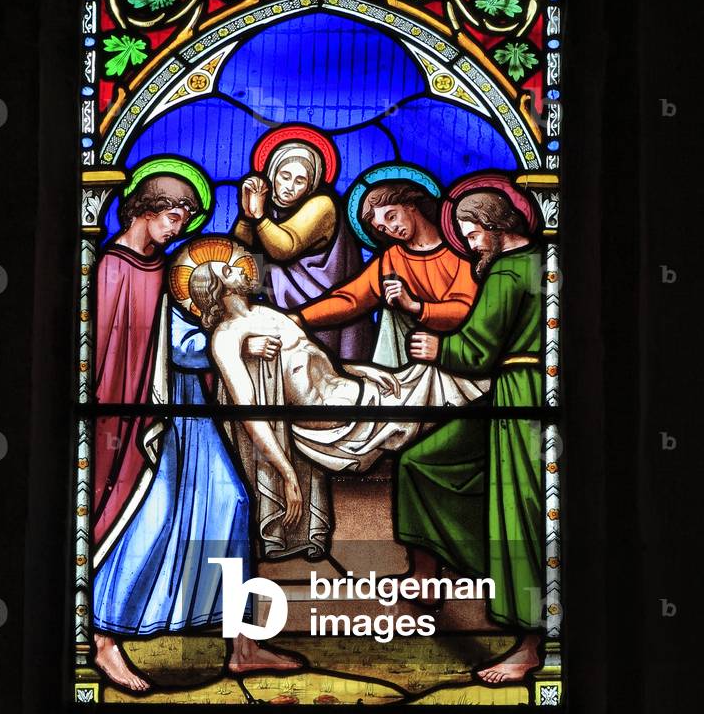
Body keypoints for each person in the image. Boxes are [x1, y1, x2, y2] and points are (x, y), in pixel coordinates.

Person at [92, 164, 300, 692]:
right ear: (144, 208)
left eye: (185, 217)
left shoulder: (165, 267)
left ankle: (244, 645)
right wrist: (225, 346)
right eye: (172, 215)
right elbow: (132, 349)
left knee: (230, 502)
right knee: (146, 518)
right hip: (139, 417)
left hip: (186, 413)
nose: (179, 226)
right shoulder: (109, 268)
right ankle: (104, 641)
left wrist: (227, 339)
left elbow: (183, 339)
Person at [168, 236, 488, 560]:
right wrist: (285, 472)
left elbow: (314, 361)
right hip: (337, 419)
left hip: (352, 393)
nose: (239, 268)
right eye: (228, 269)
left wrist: (363, 370)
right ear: (217, 288)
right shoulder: (226, 337)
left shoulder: (267, 313)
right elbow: (250, 413)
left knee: (436, 380)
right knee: (444, 385)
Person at [401, 180, 544, 685]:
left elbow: (481, 347)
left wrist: (438, 349)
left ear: (494, 223)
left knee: (523, 515)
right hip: (517, 392)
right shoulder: (539, 262)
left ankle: (530, 647)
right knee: (423, 461)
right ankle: (429, 573)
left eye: (470, 231)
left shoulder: (508, 271)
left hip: (521, 398)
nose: (469, 242)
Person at [297, 180, 478, 366]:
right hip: (411, 354)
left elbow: (468, 309)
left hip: (463, 352)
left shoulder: (458, 249)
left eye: (391, 217)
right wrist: (299, 318)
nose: (392, 230)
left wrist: (416, 307)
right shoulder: (392, 258)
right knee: (390, 309)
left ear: (410, 204)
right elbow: (350, 300)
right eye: (382, 228)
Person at [232, 134, 373, 360]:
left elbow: (285, 247)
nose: (289, 187)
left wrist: (258, 216)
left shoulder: (323, 205)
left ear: (311, 184)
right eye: (284, 176)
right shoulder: (266, 212)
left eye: (300, 181)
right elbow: (242, 260)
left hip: (323, 321)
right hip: (280, 320)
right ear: (272, 174)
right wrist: (247, 217)